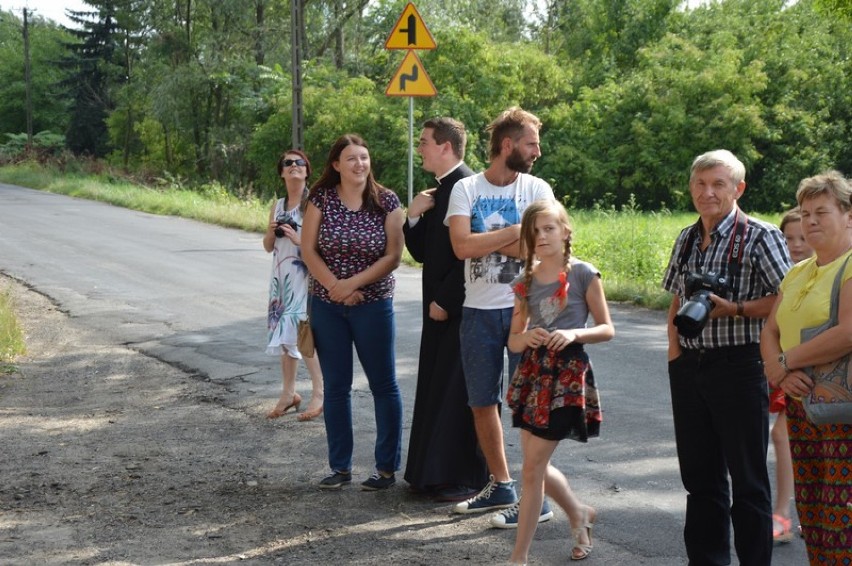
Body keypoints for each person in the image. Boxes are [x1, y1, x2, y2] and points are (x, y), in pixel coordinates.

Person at [661, 149, 791, 565]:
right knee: (699, 481)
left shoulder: (760, 235)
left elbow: (787, 301)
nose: (708, 192)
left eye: (718, 184)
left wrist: (734, 308)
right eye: (700, 183)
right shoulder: (686, 237)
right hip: (690, 367)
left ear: (739, 188)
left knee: (748, 482)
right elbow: (676, 300)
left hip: (739, 366)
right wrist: (675, 356)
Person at [446, 107, 555, 527]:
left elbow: (544, 248)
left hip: (528, 312)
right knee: (481, 401)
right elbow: (460, 247)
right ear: (507, 145)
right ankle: (502, 484)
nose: (537, 152)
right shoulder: (466, 189)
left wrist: (485, 239)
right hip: (478, 311)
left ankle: (537, 499)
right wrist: (516, 231)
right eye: (531, 143)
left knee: (530, 406)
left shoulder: (538, 188)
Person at [506, 200, 614, 563]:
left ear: (565, 231)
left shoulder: (584, 274)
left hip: (567, 377)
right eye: (534, 231)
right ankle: (579, 513)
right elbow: (513, 339)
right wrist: (529, 336)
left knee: (532, 469)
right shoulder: (524, 282)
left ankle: (518, 557)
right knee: (534, 464)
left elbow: (607, 328)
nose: (541, 236)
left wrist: (573, 334)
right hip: (534, 377)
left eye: (549, 228)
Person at [300, 134, 405, 491]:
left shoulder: (387, 200)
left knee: (384, 385)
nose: (359, 164)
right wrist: (335, 287)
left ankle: (386, 469)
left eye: (364, 157)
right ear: (336, 166)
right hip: (328, 307)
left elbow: (393, 256)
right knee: (337, 387)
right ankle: (340, 467)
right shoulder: (322, 199)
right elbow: (308, 250)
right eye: (351, 159)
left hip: (374, 305)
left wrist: (353, 284)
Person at [761, 170, 852, 564]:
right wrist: (776, 370)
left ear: (848, 214)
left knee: (844, 518)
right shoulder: (797, 271)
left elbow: (849, 332)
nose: (811, 221)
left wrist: (786, 361)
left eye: (822, 211)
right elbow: (771, 329)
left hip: (844, 411)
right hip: (802, 405)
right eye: (805, 212)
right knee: (814, 514)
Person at [403, 117, 488, 501]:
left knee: (457, 391)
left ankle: (462, 479)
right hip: (437, 309)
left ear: (446, 147)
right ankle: (431, 475)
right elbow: (424, 253)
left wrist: (445, 300)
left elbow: (474, 252)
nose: (418, 147)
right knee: (437, 387)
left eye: (424, 141)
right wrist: (414, 215)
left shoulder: (468, 187)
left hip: (461, 308)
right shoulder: (440, 190)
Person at [263, 149, 324, 421]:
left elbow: (322, 246)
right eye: (287, 163)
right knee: (284, 333)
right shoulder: (277, 204)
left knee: (302, 331)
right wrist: (271, 230)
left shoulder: (314, 203)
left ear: (307, 170)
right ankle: (289, 393)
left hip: (305, 274)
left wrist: (298, 239)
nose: (293, 166)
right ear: (281, 172)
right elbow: (268, 246)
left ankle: (319, 391)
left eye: (299, 163)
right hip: (281, 276)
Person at [770, 207, 813, 542]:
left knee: (785, 435)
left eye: (803, 237)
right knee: (787, 436)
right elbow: (772, 327)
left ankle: (787, 513)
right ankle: (785, 513)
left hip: (821, 371)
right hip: (790, 370)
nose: (796, 244)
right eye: (788, 238)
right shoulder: (790, 276)